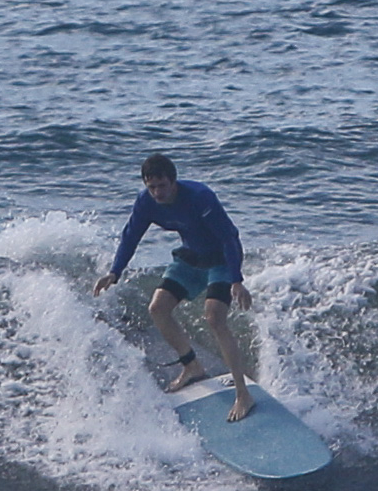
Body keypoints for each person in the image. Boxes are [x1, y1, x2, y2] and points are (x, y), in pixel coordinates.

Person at [94, 154, 256, 422]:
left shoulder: (200, 197)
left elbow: (229, 237)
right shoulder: (146, 202)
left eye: (162, 186)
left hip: (221, 259)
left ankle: (243, 394)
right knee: (158, 308)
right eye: (151, 187)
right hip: (190, 258)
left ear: (174, 182)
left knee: (214, 316)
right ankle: (191, 366)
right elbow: (131, 235)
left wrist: (237, 280)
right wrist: (115, 271)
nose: (157, 192)